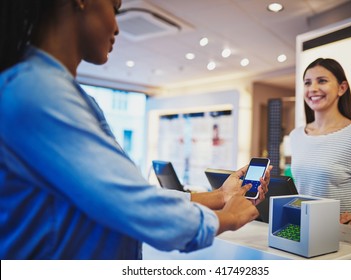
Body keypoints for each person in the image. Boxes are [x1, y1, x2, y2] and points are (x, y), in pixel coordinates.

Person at [0, 0, 271, 259]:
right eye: (115, 8)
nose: (116, 27)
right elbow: (135, 205)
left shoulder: (58, 93)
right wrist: (228, 216)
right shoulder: (37, 92)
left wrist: (221, 196)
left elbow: (129, 194)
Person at [290, 58, 351, 232]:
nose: (312, 88)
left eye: (322, 81)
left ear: (342, 88)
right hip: (303, 232)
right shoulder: (296, 136)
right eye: (307, 83)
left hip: (341, 237)